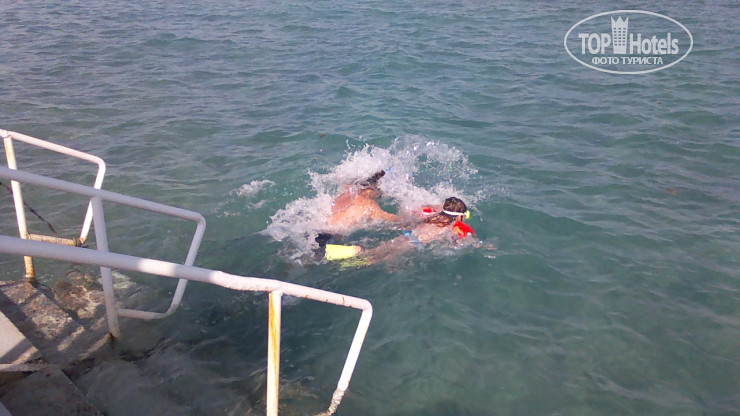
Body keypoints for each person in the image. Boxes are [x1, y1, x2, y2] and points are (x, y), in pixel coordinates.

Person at [327, 196, 474, 263]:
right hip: (412, 244)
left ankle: (348, 255)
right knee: (374, 259)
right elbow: (457, 241)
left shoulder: (433, 218)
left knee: (377, 254)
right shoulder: (450, 227)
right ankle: (353, 252)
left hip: (406, 236)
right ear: (459, 216)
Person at [317, 170, 403, 260]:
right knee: (372, 254)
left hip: (313, 238)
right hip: (328, 246)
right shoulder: (368, 203)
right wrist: (411, 220)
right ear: (375, 187)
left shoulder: (345, 195)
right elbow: (394, 221)